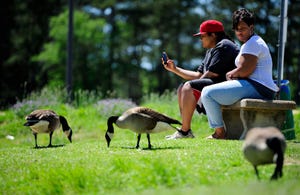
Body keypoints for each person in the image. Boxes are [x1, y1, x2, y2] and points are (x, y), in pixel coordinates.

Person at [201, 8, 279, 139]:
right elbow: (244, 70)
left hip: (259, 87)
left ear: (251, 27)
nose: (239, 32)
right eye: (236, 29)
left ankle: (220, 133)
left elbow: (245, 70)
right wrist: (233, 74)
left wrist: (230, 74)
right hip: (256, 86)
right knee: (210, 93)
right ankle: (224, 131)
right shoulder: (251, 42)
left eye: (242, 28)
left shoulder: (253, 43)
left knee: (207, 93)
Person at [162, 20, 239, 139]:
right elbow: (199, 75)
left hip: (228, 89)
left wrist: (191, 86)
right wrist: (175, 69)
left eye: (202, 36)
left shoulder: (224, 45)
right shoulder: (211, 50)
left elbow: (211, 74)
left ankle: (185, 132)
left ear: (213, 35)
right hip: (217, 85)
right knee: (182, 88)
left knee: (188, 86)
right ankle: (185, 130)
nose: (200, 39)